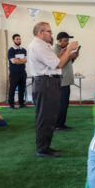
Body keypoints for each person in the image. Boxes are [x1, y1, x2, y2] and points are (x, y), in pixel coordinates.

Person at [27, 21, 79, 158]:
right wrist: (69, 49)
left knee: (49, 117)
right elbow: (59, 64)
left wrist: (62, 53)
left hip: (47, 82)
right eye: (49, 31)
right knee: (45, 117)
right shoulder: (39, 46)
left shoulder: (42, 45)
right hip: (46, 83)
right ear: (40, 32)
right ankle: (42, 149)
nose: (51, 34)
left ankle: (45, 147)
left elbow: (55, 61)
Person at [54, 32, 79, 131]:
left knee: (64, 105)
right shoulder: (55, 50)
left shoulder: (64, 49)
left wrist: (73, 57)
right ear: (59, 40)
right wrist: (69, 56)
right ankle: (58, 125)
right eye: (65, 41)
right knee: (62, 105)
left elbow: (67, 62)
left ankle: (61, 124)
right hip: (61, 82)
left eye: (68, 40)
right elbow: (58, 64)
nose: (68, 43)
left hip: (65, 81)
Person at [7, 34, 28, 109]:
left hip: (22, 73)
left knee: (22, 89)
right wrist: (22, 60)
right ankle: (11, 105)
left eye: (19, 39)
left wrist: (18, 60)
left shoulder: (24, 50)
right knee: (12, 89)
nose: (19, 40)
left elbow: (26, 60)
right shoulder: (11, 50)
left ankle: (21, 103)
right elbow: (13, 61)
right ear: (13, 40)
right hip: (14, 73)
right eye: (17, 39)